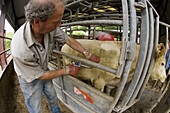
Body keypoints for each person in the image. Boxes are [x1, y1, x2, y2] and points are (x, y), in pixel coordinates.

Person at [10, 0, 100, 113]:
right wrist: (67, 69)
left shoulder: (49, 29)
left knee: (52, 95)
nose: (60, 25)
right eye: (56, 21)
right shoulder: (21, 48)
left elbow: (68, 40)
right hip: (29, 78)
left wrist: (87, 53)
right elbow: (41, 76)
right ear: (37, 22)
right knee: (35, 106)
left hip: (44, 68)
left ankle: (56, 111)